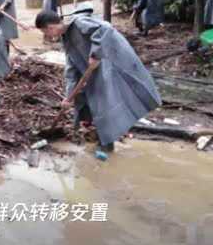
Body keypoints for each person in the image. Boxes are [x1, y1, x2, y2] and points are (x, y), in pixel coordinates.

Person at [35, 9, 161, 153]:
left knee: (107, 102)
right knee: (94, 101)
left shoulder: (79, 23)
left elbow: (105, 28)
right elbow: (71, 69)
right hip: (96, 71)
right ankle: (101, 135)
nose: (48, 37)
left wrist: (95, 53)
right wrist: (68, 96)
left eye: (46, 33)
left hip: (110, 62)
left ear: (50, 27)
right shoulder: (66, 38)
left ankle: (107, 144)